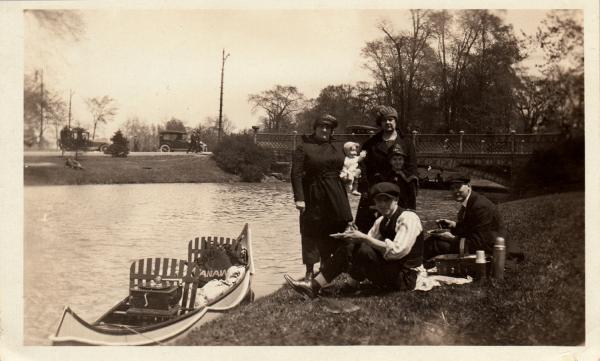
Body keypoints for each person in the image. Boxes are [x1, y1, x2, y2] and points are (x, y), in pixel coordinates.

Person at [284, 182, 425, 298]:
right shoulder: (381, 220)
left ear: (396, 200)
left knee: (363, 247)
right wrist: (350, 237)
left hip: (406, 278)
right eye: (378, 201)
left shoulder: (408, 218)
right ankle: (316, 286)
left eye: (387, 200)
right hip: (392, 271)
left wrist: (363, 238)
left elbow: (397, 251)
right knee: (352, 246)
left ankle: (319, 286)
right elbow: (368, 244)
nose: (382, 205)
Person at [290, 114, 354, 281]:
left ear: (332, 130)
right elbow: (295, 174)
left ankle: (329, 266)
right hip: (313, 192)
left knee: (335, 228)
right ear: (315, 128)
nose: (324, 130)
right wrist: (299, 198)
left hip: (335, 192)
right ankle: (310, 270)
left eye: (328, 128)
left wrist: (349, 176)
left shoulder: (339, 146)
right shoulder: (303, 147)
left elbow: (351, 164)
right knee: (310, 230)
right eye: (321, 127)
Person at [354, 105, 418, 232]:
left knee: (399, 228)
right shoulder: (371, 143)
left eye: (391, 119)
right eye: (384, 120)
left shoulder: (406, 143)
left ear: (395, 121)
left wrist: (408, 188)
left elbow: (412, 169)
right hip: (375, 191)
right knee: (368, 228)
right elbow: (363, 167)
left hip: (399, 192)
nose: (388, 123)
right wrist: (367, 188)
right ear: (380, 123)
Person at [424, 177, 502, 260]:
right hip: (479, 245)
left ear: (468, 186)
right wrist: (454, 225)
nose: (455, 191)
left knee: (434, 244)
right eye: (452, 188)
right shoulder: (472, 201)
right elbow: (472, 228)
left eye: (458, 187)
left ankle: (416, 265)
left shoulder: (480, 206)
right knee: (434, 240)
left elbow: (478, 242)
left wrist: (451, 238)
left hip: (488, 251)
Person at [374, 144, 418, 210]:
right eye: (394, 159)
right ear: (390, 161)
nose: (398, 162)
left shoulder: (409, 178)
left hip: (403, 209)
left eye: (400, 159)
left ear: (403, 161)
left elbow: (412, 200)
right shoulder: (383, 177)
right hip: (386, 209)